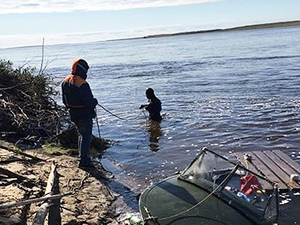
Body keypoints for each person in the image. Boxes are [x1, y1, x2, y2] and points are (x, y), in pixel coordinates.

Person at [61, 58, 98, 168]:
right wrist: (95, 102)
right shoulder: (82, 84)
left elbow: (64, 101)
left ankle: (82, 157)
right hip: (84, 115)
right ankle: (84, 161)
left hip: (73, 114)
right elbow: (89, 102)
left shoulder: (65, 81)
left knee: (81, 135)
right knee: (86, 137)